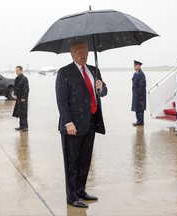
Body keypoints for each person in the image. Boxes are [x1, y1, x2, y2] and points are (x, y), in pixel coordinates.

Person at [55, 41, 107, 208]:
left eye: (84, 50)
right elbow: (62, 101)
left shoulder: (94, 70)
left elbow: (103, 92)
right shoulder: (65, 73)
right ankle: (71, 197)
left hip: (91, 122)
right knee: (72, 163)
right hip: (73, 126)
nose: (82, 53)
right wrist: (68, 122)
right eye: (78, 51)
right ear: (72, 54)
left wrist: (101, 87)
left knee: (85, 160)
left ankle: (81, 190)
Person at [12, 66, 29, 132]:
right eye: (16, 70)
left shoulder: (24, 79)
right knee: (19, 112)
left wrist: (24, 97)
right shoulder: (16, 79)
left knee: (24, 112)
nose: (17, 72)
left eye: (18, 70)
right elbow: (15, 87)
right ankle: (21, 126)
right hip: (18, 98)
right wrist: (15, 95)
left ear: (21, 71)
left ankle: (25, 126)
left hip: (23, 98)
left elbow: (26, 89)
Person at [131, 60, 146, 126]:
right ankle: (138, 120)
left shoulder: (141, 74)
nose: (134, 67)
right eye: (134, 65)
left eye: (136, 65)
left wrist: (139, 95)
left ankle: (140, 121)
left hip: (140, 94)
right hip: (135, 94)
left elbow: (142, 85)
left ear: (139, 66)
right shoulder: (135, 73)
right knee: (136, 108)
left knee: (140, 108)